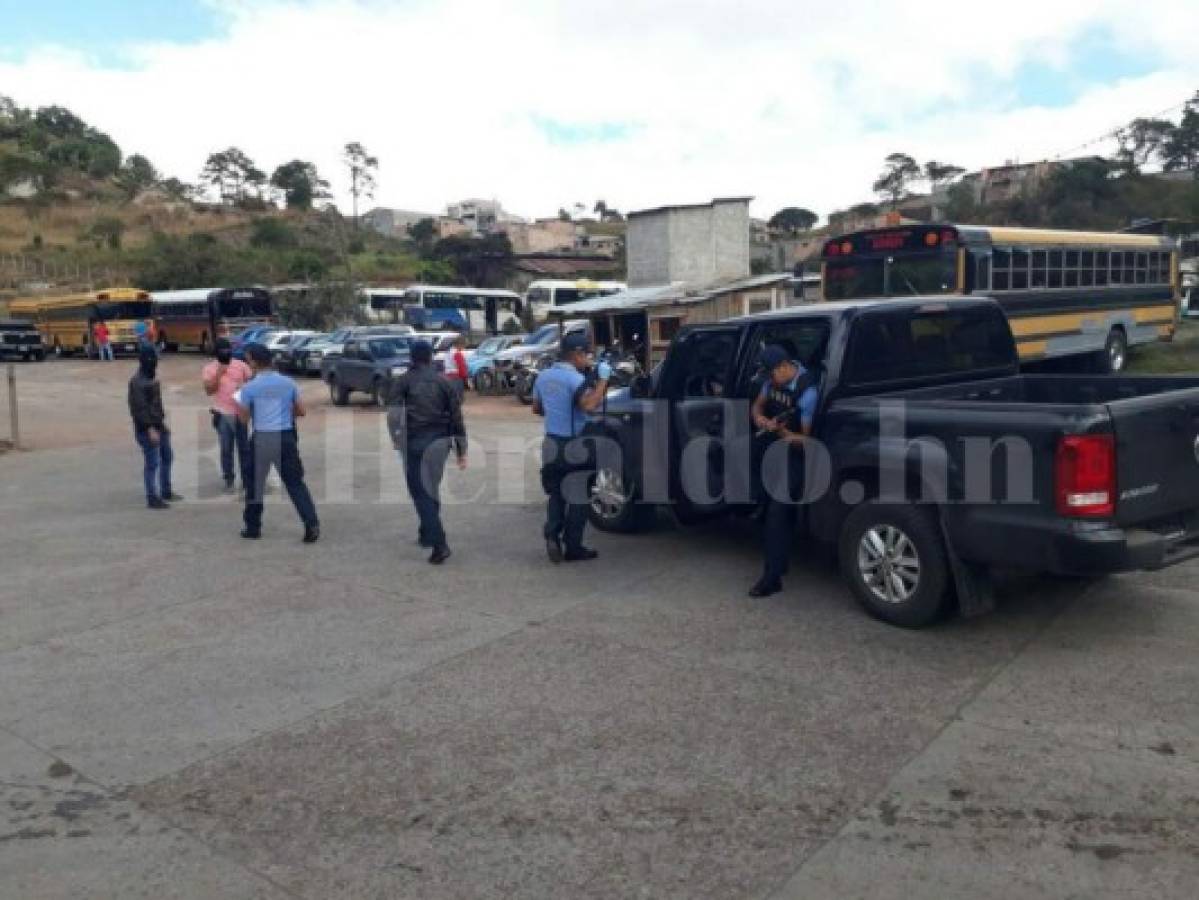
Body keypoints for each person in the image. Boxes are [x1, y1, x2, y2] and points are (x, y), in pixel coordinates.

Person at [531, 332, 611, 563]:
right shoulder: (575, 380)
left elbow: (536, 409)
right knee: (578, 497)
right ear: (575, 355)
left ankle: (552, 537)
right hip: (574, 445)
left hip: (551, 443)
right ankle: (573, 547)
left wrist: (557, 410)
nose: (588, 359)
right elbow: (589, 405)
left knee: (556, 493)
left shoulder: (543, 376)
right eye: (586, 354)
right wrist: (604, 380)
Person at [747, 345, 820, 598]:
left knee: (777, 513)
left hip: (798, 454)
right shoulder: (771, 382)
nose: (768, 380)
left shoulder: (807, 391)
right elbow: (757, 406)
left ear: (783, 367)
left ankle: (772, 577)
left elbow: (806, 441)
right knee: (765, 507)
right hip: (774, 446)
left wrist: (780, 431)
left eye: (770, 375)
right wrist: (760, 419)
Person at [387, 340, 467, 565]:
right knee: (430, 488)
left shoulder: (403, 381)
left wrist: (395, 437)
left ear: (412, 358)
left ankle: (439, 543)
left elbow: (394, 414)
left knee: (421, 493)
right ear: (431, 357)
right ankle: (426, 532)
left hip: (415, 443)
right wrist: (462, 449)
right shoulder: (444, 382)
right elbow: (456, 417)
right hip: (441, 443)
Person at [235, 343, 320, 543]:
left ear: (254, 362)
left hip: (262, 438)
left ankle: (253, 527)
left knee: (255, 485)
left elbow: (243, 419)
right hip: (285, 436)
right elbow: (301, 411)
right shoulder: (288, 383)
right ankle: (311, 523)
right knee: (295, 483)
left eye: (248, 359)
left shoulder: (249, 388)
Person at [127, 346, 181, 509]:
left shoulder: (150, 377)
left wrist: (162, 425)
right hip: (147, 428)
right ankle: (152, 496)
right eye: (152, 359)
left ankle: (166, 490)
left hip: (158, 425)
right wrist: (150, 429)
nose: (155, 362)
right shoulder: (137, 382)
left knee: (167, 457)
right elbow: (139, 408)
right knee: (152, 463)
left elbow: (156, 405)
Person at [202, 337, 253, 493]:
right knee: (226, 448)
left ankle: (246, 480)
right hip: (223, 414)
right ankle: (229, 478)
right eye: (222, 351)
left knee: (244, 448)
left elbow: (253, 383)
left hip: (241, 413)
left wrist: (245, 386)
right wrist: (219, 374)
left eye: (228, 350)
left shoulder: (241, 365)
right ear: (216, 353)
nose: (226, 353)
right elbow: (209, 391)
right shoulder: (209, 369)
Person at [445, 334, 470, 399]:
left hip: (448, 375)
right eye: (464, 346)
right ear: (460, 344)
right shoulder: (457, 354)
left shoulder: (449, 352)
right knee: (457, 398)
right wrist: (466, 379)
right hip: (456, 377)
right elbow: (462, 368)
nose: (464, 348)